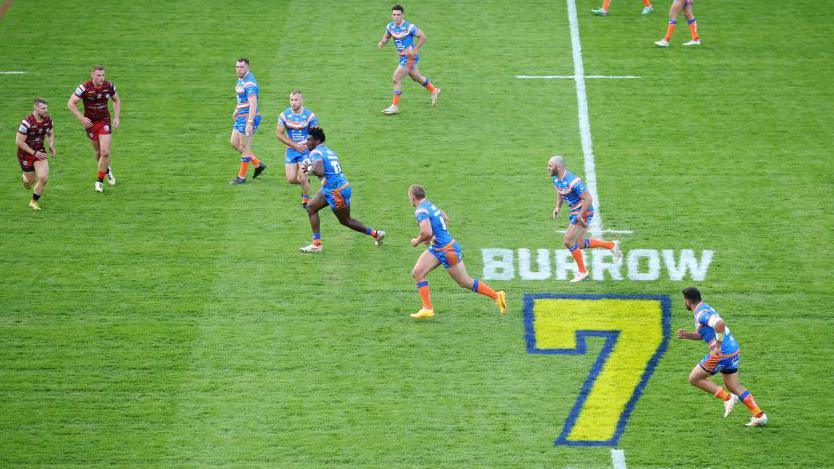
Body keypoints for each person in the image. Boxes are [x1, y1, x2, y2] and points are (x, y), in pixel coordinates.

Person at [407, 184, 507, 319]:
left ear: (413, 197)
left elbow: (426, 231)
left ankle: (497, 295)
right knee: (418, 272)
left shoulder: (420, 211)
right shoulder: (429, 205)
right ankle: (427, 308)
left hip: (447, 251)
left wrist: (417, 240)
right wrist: (433, 236)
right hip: (438, 248)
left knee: (464, 282)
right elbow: (445, 218)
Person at [677, 287, 768, 427]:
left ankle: (728, 398)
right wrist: (688, 335)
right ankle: (759, 415)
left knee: (694, 378)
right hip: (733, 350)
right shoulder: (704, 308)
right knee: (733, 385)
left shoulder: (701, 313)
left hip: (722, 353)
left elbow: (719, 323)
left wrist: (718, 344)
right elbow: (705, 333)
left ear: (688, 301)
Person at [298, 127, 385, 253]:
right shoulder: (328, 151)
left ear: (316, 140)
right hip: (335, 188)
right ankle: (316, 244)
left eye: (309, 139)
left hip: (336, 192)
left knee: (346, 221)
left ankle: (376, 234)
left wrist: (309, 169)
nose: (307, 142)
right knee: (311, 207)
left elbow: (320, 170)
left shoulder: (315, 153)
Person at [548, 155, 620, 282]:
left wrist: (580, 216)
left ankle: (583, 271)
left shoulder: (573, 181)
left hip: (584, 212)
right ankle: (611, 245)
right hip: (575, 211)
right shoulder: (555, 178)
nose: (548, 168)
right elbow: (559, 192)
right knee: (579, 244)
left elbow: (588, 199)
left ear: (558, 167)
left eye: (550, 166)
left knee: (568, 241)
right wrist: (557, 207)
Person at [377, 4, 441, 115]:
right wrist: (382, 42)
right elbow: (387, 36)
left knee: (396, 78)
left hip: (409, 57)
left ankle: (394, 106)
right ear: (391, 15)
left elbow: (423, 37)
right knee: (416, 77)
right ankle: (434, 90)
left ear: (402, 15)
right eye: (394, 15)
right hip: (402, 57)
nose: (396, 17)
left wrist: (415, 49)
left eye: (398, 14)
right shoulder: (390, 26)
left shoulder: (409, 27)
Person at [67, 65, 120, 193]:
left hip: (104, 121)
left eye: (103, 75)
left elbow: (116, 100)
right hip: (91, 123)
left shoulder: (109, 86)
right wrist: (81, 118)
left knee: (105, 152)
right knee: (98, 154)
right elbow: (70, 103)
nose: (101, 78)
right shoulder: (84, 87)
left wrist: (117, 117)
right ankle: (107, 170)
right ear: (92, 75)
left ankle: (99, 181)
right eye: (98, 75)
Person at [276, 90, 318, 208]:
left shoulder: (310, 116)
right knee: (291, 179)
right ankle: (306, 184)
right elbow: (279, 134)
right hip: (291, 150)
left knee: (303, 175)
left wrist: (305, 144)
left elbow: (315, 134)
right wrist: (294, 145)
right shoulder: (284, 115)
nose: (293, 103)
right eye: (291, 100)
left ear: (301, 101)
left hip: (306, 151)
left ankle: (306, 200)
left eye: (296, 100)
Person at [229, 58, 266, 185]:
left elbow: (253, 104)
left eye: (241, 67)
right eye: (237, 67)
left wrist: (250, 122)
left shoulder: (250, 84)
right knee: (234, 143)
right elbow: (241, 99)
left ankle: (241, 177)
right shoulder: (241, 79)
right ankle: (257, 164)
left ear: (247, 68)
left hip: (248, 117)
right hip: (241, 115)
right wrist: (236, 110)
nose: (238, 69)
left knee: (245, 146)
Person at [16, 98, 54, 210]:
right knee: (30, 181)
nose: (46, 110)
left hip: (40, 153)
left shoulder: (47, 120)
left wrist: (51, 145)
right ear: (36, 108)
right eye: (43, 108)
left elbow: (50, 133)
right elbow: (19, 142)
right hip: (25, 154)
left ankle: (33, 201)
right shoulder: (26, 123)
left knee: (43, 178)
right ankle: (25, 179)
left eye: (46, 108)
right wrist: (34, 153)